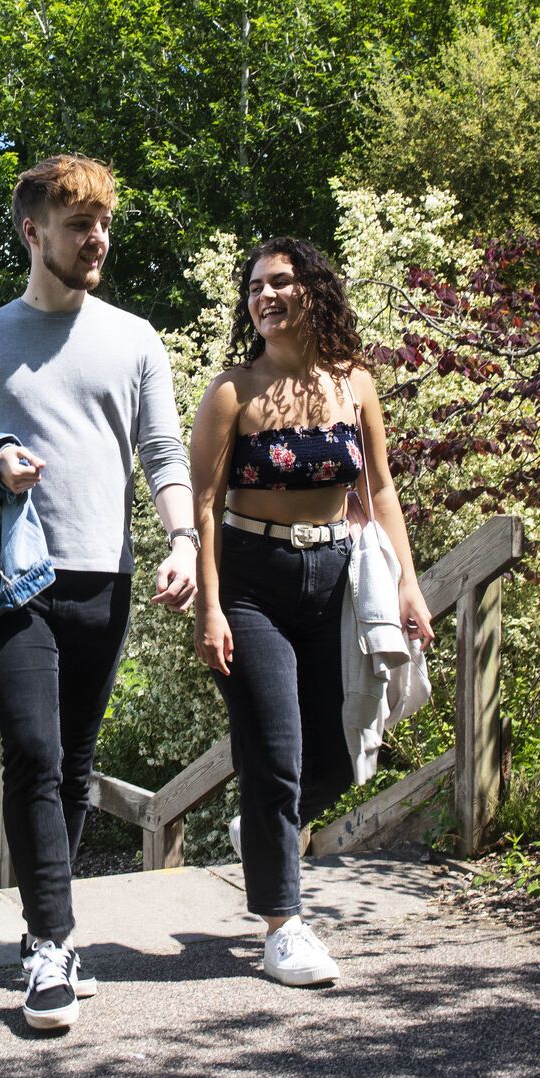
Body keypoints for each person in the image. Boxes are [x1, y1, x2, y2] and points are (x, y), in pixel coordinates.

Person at [0, 154, 197, 1030]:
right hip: (11, 579)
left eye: (104, 223)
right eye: (80, 226)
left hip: (100, 577)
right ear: (35, 232)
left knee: (74, 763)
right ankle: (48, 945)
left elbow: (162, 454)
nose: (98, 239)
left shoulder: (136, 338)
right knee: (34, 751)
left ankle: (52, 931)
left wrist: (182, 537)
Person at [188, 237, 434, 986]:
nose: (265, 295)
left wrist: (409, 584)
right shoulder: (234, 391)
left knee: (339, 750)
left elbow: (381, 490)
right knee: (275, 748)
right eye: (255, 286)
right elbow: (202, 505)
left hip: (335, 574)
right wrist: (209, 606)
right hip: (251, 580)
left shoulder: (354, 383)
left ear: (312, 291)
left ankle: (262, 829)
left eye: (281, 282)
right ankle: (283, 926)